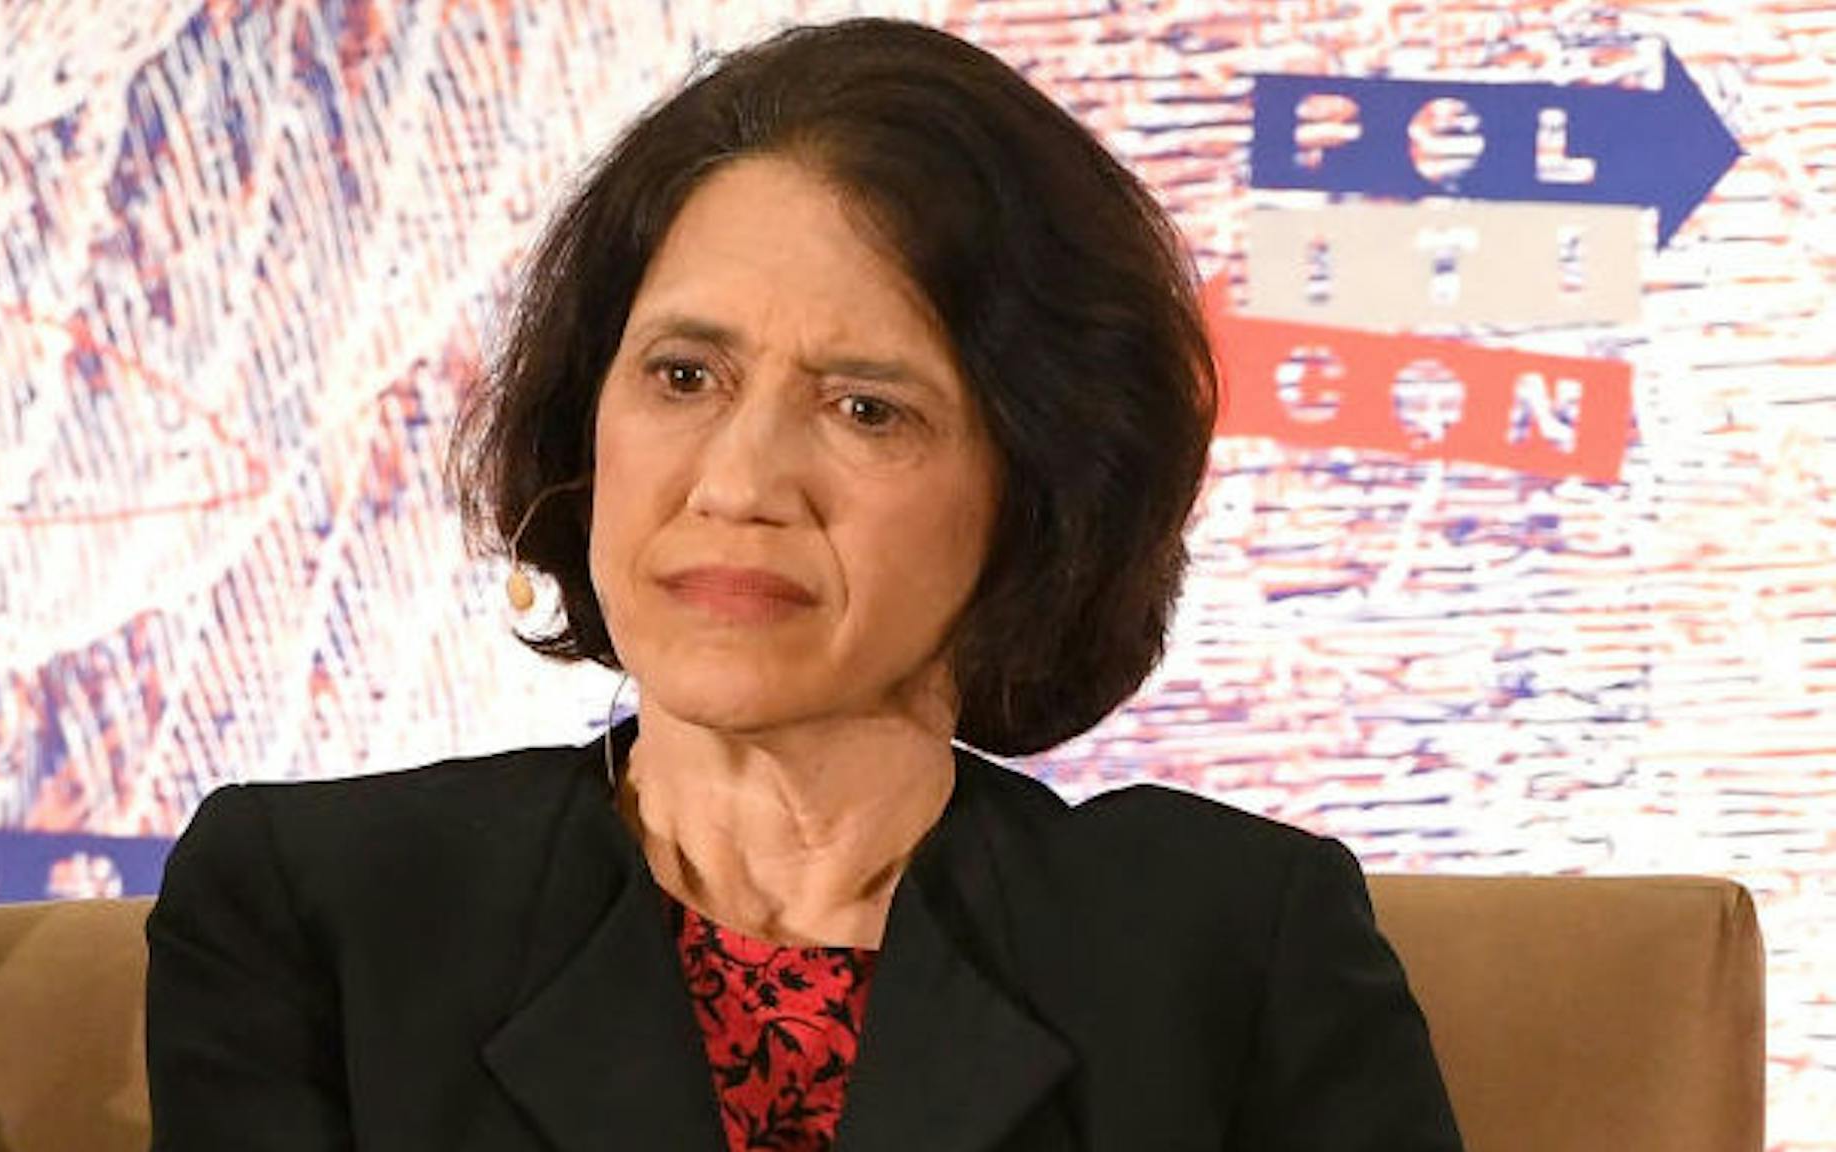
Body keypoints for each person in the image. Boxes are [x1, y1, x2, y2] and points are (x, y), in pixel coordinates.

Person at [145, 17, 1462, 1152]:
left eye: (865, 407)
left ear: (1036, 491)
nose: (740, 481)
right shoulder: (323, 910)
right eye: (683, 377)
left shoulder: (1225, 948)